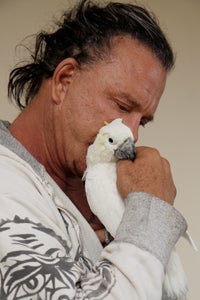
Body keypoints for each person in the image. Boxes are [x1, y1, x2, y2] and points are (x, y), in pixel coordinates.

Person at [0, 0, 187, 299]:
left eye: (144, 122)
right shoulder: (6, 184)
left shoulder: (93, 201)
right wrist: (149, 214)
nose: (133, 135)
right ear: (64, 80)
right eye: (123, 106)